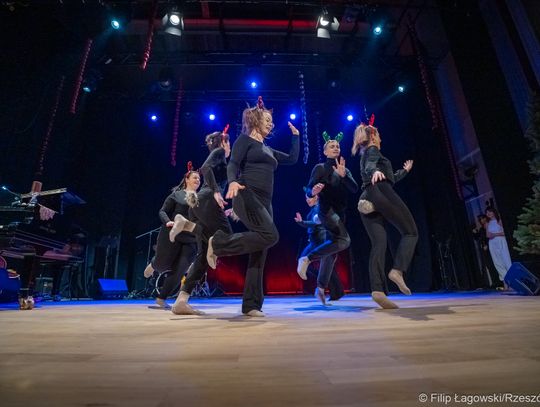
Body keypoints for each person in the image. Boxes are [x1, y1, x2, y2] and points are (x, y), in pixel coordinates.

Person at [352, 122, 417, 309]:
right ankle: (397, 270)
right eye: (378, 135)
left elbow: (391, 177)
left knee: (379, 243)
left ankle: (378, 291)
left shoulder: (365, 154)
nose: (380, 138)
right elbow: (370, 167)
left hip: (369, 195)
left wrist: (405, 171)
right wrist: (374, 171)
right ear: (373, 137)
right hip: (380, 191)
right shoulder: (373, 150)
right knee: (411, 232)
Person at [169, 128, 233, 315]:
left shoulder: (220, 159)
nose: (230, 147)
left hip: (199, 204)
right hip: (207, 199)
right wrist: (216, 192)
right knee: (227, 237)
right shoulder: (219, 152)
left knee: (203, 258)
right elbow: (204, 168)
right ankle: (196, 230)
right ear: (223, 143)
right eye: (228, 142)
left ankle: (181, 301)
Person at [297, 132, 358, 305]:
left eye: (337, 146)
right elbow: (310, 189)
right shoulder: (320, 168)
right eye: (332, 146)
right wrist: (313, 191)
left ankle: (321, 288)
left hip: (340, 214)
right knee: (344, 240)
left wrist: (344, 176)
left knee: (331, 252)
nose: (336, 148)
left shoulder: (344, 169)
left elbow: (354, 189)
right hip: (326, 211)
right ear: (325, 152)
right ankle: (307, 259)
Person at [143, 165, 200, 309]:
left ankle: (161, 298)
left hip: (191, 239)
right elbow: (162, 211)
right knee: (162, 265)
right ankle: (154, 264)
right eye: (195, 177)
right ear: (186, 179)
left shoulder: (201, 198)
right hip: (171, 233)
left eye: (199, 179)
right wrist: (168, 221)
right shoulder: (176, 195)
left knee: (180, 269)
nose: (198, 180)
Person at [294, 194, 345, 301]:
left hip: (320, 240)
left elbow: (315, 223)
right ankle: (337, 291)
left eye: (310, 198)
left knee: (321, 265)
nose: (307, 200)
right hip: (315, 241)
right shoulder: (314, 208)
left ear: (316, 197)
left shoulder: (318, 208)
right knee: (326, 267)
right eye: (306, 198)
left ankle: (337, 292)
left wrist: (302, 222)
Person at [485, 207, 512, 289]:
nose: (488, 214)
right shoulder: (487, 223)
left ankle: (512, 283)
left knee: (506, 260)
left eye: (490, 212)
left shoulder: (499, 220)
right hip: (492, 243)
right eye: (487, 212)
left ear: (494, 212)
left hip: (501, 241)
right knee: (497, 262)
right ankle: (505, 284)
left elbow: (504, 232)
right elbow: (488, 235)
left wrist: (495, 234)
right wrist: (493, 235)